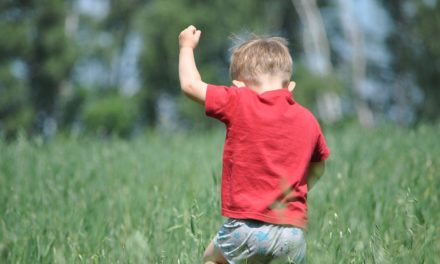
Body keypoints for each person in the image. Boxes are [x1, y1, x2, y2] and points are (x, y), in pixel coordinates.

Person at [178, 25, 330, 264]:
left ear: (238, 85)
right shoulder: (309, 119)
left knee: (211, 259)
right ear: (290, 87)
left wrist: (186, 46)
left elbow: (189, 85)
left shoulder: (240, 100)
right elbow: (319, 168)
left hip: (246, 228)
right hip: (293, 234)